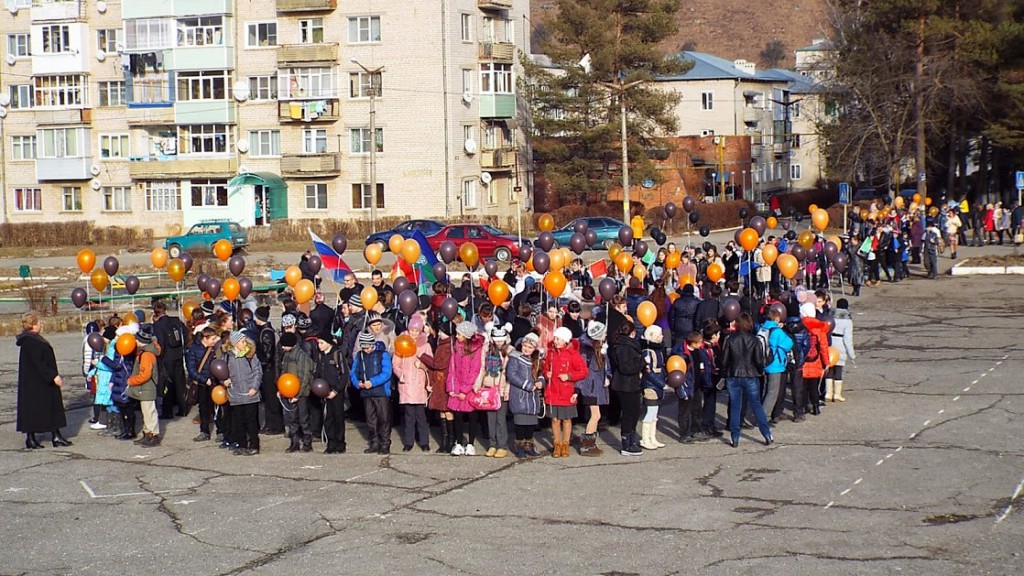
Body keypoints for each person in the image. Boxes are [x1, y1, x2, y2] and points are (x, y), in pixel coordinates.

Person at [16, 311, 72, 449]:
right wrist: (53, 376)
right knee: (39, 408)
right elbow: (38, 363)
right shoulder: (30, 341)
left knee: (47, 408)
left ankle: (54, 435)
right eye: (39, 322)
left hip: (37, 380)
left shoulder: (32, 339)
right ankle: (34, 437)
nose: (41, 324)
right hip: (38, 381)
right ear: (33, 325)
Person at [720, 313, 772, 447]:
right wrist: (760, 372)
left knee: (735, 406)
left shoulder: (729, 339)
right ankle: (766, 433)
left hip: (733, 375)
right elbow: (759, 360)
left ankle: (734, 437)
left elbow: (724, 360)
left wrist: (724, 373)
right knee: (756, 405)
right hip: (751, 374)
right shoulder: (754, 340)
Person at [543, 326, 587, 458]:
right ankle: (557, 444)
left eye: (558, 339)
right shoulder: (550, 353)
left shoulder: (573, 354)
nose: (555, 341)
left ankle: (565, 444)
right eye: (555, 338)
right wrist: (547, 374)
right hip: (553, 390)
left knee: (567, 419)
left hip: (566, 391)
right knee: (555, 419)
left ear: (565, 341)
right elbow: (545, 368)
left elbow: (583, 371)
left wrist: (569, 376)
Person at [350, 331, 394, 454]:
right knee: (371, 420)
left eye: (367, 347)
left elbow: (387, 373)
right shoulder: (360, 356)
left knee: (384, 419)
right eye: (363, 348)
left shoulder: (383, 355)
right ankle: (374, 443)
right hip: (366, 393)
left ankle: (385, 443)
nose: (366, 350)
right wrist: (357, 382)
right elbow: (354, 371)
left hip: (381, 392)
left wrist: (372, 382)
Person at [392, 316, 431, 452]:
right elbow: (395, 363)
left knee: (421, 416)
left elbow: (431, 363)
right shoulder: (402, 342)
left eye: (416, 330)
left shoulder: (425, 345)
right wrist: (400, 374)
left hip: (419, 383)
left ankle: (424, 441)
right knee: (408, 416)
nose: (414, 333)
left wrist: (422, 365)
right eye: (412, 330)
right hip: (406, 383)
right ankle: (408, 441)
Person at [446, 322, 484, 456]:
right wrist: (451, 387)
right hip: (456, 386)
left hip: (468, 388)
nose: (457, 337)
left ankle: (471, 443)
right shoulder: (456, 348)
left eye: (459, 334)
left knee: (472, 416)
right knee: (457, 415)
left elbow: (474, 370)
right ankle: (458, 442)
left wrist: (465, 390)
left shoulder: (475, 351)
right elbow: (452, 368)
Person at [506, 332, 544, 459]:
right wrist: (527, 385)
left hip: (532, 397)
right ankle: (520, 445)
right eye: (525, 346)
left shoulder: (536, 360)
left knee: (530, 424)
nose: (527, 349)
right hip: (520, 395)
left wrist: (541, 382)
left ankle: (529, 444)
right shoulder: (515, 358)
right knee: (520, 424)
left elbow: (540, 373)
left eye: (530, 347)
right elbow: (512, 375)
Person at [610, 321, 645, 456]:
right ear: (632, 332)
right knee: (629, 414)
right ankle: (627, 443)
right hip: (626, 384)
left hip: (631, 383)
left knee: (634, 412)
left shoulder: (625, 345)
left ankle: (631, 440)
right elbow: (626, 367)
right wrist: (641, 362)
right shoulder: (624, 347)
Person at [224, 331, 262, 456]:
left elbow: (258, 372)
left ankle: (254, 445)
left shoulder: (250, 355)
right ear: (235, 344)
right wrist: (224, 381)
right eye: (242, 341)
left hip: (250, 395)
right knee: (239, 421)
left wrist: (254, 388)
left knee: (251, 421)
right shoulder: (227, 357)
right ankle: (242, 444)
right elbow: (222, 373)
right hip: (236, 395)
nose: (245, 343)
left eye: (245, 341)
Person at [421, 320, 455, 453]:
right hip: (439, 381)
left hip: (444, 381)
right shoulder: (442, 344)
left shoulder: (448, 346)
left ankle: (451, 440)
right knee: (441, 410)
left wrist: (423, 357)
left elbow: (439, 364)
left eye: (442, 332)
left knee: (447, 410)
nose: (439, 334)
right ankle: (445, 440)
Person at [577, 322, 610, 456]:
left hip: (597, 386)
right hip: (590, 387)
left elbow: (605, 366)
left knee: (596, 415)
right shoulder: (588, 352)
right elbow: (583, 371)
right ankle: (587, 444)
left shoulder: (600, 348)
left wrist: (607, 375)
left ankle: (591, 443)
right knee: (595, 415)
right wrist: (578, 389)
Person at [126, 324, 161, 447]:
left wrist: (132, 380)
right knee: (146, 412)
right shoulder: (144, 352)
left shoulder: (146, 355)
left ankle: (153, 434)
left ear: (141, 342)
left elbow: (145, 375)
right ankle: (147, 433)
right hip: (144, 388)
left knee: (149, 412)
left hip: (147, 388)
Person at [280, 332, 314, 453]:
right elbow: (283, 374)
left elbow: (304, 377)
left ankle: (307, 443)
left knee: (303, 419)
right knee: (291, 419)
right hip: (289, 392)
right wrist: (281, 389)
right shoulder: (286, 356)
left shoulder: (301, 356)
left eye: (284, 345)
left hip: (301, 393)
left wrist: (298, 394)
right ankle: (294, 443)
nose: (282, 348)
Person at [152, 301, 187, 419]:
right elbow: (185, 334)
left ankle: (167, 411)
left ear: (155, 313)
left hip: (166, 357)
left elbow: (160, 343)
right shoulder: (176, 320)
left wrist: (158, 357)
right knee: (180, 382)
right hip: (178, 354)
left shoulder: (157, 325)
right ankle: (183, 408)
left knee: (167, 383)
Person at [315, 334, 347, 454]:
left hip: (336, 392)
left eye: (321, 343)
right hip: (324, 390)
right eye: (318, 343)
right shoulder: (320, 356)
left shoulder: (337, 354)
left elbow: (344, 375)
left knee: (338, 417)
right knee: (327, 418)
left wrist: (336, 390)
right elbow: (317, 372)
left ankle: (340, 443)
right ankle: (331, 443)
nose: (319, 346)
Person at [186, 327, 219, 442]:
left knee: (217, 408)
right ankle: (204, 431)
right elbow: (191, 369)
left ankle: (220, 431)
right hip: (202, 384)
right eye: (212, 339)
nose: (214, 341)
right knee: (203, 408)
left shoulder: (214, 349)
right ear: (205, 338)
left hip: (214, 382)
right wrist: (204, 379)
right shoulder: (194, 350)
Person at [640, 325, 668, 450]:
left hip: (658, 383)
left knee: (655, 413)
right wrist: (661, 383)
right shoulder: (647, 352)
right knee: (650, 412)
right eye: (659, 335)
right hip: (650, 386)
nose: (662, 337)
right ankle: (645, 438)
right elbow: (648, 372)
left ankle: (652, 437)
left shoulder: (659, 350)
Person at [827, 299, 856, 402]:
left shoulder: (830, 317)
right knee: (838, 371)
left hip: (830, 344)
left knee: (829, 370)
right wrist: (852, 354)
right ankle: (837, 394)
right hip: (841, 346)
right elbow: (848, 340)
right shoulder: (848, 321)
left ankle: (828, 393)